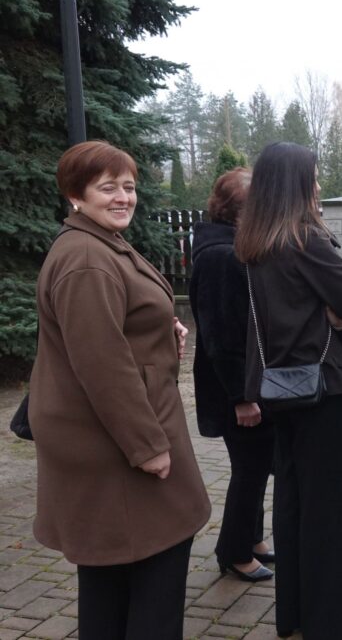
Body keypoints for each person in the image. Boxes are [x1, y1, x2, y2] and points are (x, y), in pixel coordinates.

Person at [29, 140, 211, 639]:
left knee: (111, 582)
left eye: (128, 186)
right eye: (107, 187)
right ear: (75, 195)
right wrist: (147, 449)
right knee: (153, 580)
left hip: (122, 441)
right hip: (124, 449)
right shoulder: (87, 258)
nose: (122, 197)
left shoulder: (101, 243)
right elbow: (101, 366)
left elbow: (113, 331)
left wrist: (160, 332)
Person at [234, 142, 342, 640]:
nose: (317, 185)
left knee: (291, 502)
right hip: (318, 390)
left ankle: (294, 615)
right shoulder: (305, 238)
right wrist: (332, 313)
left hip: (276, 388)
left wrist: (323, 309)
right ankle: (332, 626)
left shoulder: (256, 240)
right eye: (312, 177)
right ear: (294, 184)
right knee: (327, 511)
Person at [189, 168, 274, 583]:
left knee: (256, 464)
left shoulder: (224, 245)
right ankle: (234, 551)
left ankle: (253, 538)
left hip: (240, 382)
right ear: (243, 211)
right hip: (234, 387)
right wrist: (242, 397)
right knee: (249, 468)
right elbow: (221, 334)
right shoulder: (222, 256)